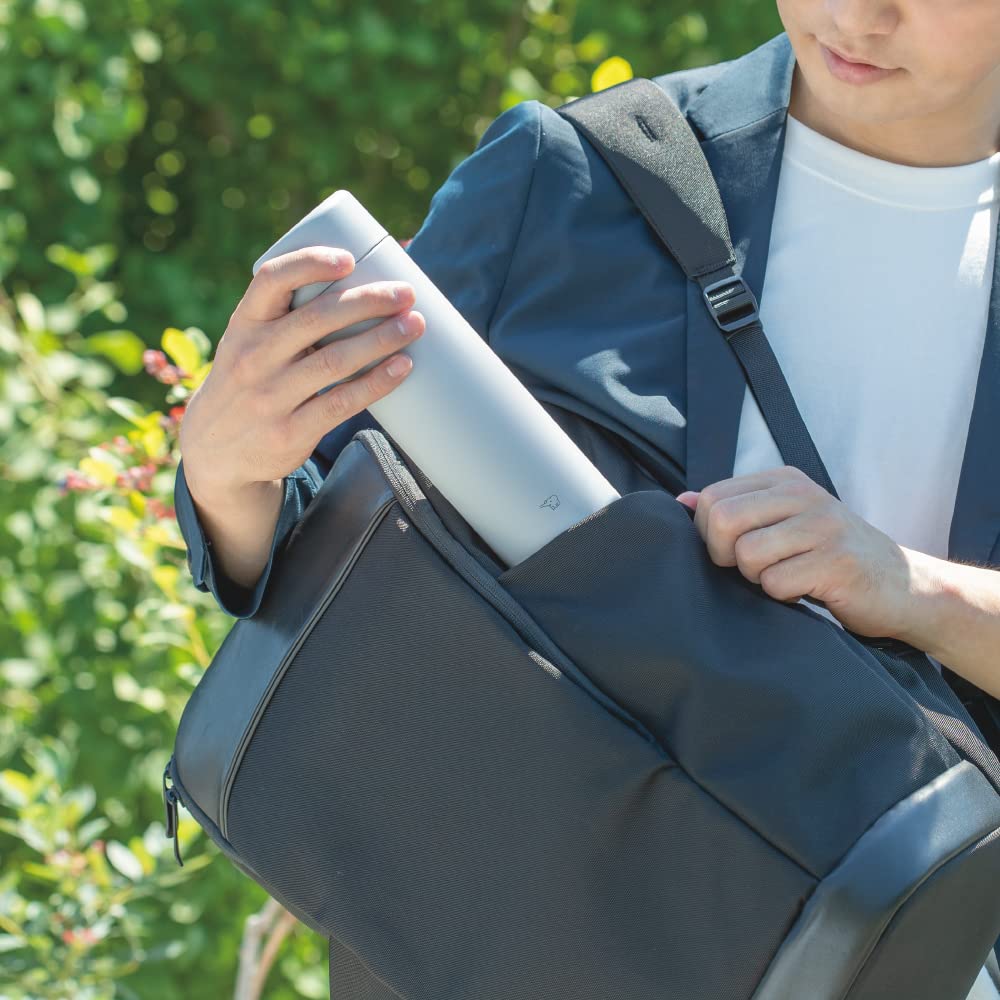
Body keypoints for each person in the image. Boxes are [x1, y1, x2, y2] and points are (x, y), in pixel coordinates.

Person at [174, 2, 1000, 994]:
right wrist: (227, 473)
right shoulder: (574, 177)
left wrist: (914, 591)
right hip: (513, 939)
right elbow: (309, 542)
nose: (857, 14)